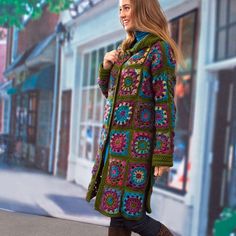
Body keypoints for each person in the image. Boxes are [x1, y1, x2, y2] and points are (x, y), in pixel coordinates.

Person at [86, 0, 184, 235]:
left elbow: (165, 106)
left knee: (133, 218)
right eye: (120, 9)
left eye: (127, 7)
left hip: (137, 151)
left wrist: (162, 155)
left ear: (143, 8)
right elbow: (114, 97)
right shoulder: (126, 50)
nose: (122, 14)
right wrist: (106, 68)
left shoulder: (159, 50)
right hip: (115, 150)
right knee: (117, 217)